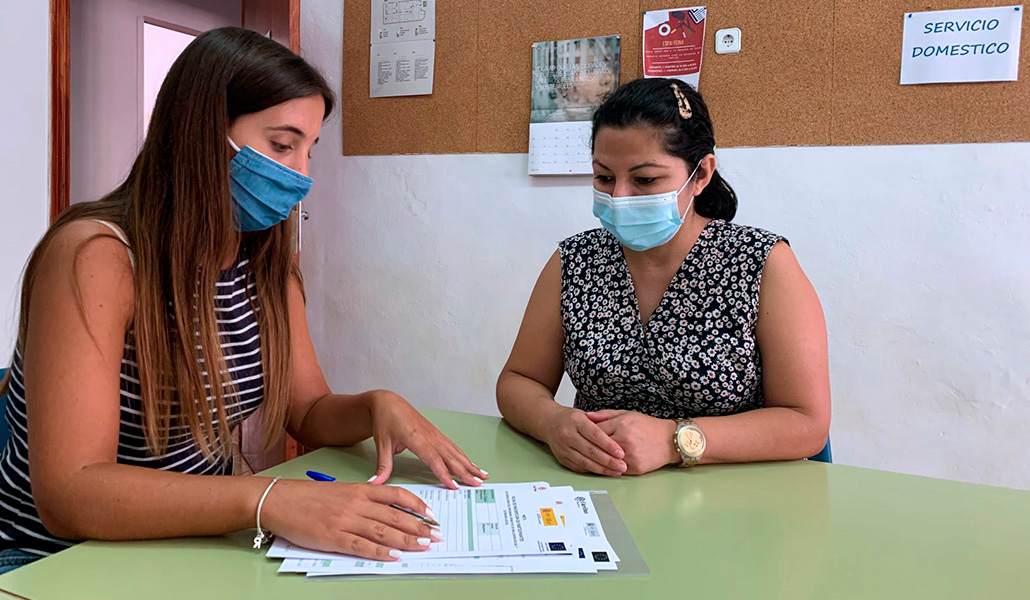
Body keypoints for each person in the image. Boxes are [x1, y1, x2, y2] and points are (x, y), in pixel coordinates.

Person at [0, 27, 486, 574]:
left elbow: (307, 410)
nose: (301, 176)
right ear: (201, 133)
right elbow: (70, 493)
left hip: (187, 545)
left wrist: (376, 405)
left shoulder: (266, 263)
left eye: (309, 151)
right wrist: (270, 499)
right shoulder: (97, 256)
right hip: (51, 561)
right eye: (282, 145)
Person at [497, 77, 830, 477]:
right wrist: (553, 422)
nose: (619, 197)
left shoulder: (762, 263)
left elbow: (806, 422)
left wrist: (676, 440)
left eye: (645, 180)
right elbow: (519, 380)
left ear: (701, 174)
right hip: (602, 488)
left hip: (731, 493)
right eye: (604, 177)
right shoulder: (576, 261)